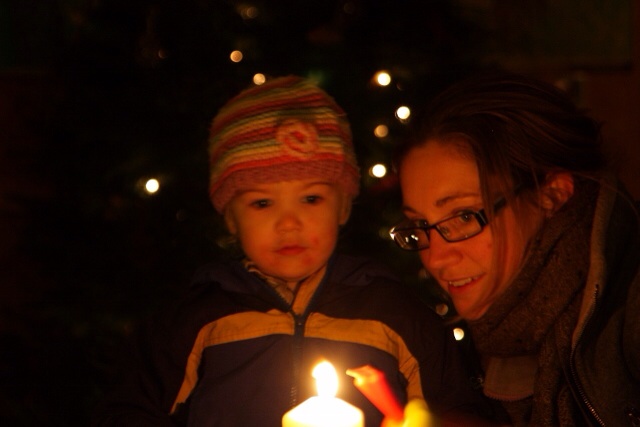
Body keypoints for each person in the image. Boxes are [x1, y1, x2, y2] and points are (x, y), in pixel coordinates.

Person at [92, 76, 493, 426]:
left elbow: (455, 413)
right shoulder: (196, 320)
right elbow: (131, 411)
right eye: (262, 203)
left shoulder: (397, 316)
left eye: (311, 199)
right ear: (230, 218)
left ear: (343, 207)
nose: (288, 223)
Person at [389, 73, 640, 426]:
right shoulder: (486, 344)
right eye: (420, 223)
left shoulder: (629, 313)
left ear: (552, 195)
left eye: (463, 216)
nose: (435, 259)